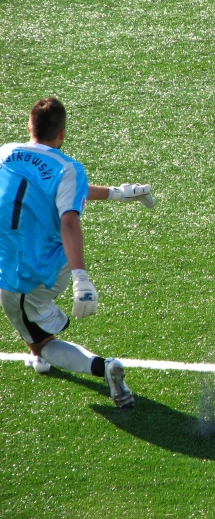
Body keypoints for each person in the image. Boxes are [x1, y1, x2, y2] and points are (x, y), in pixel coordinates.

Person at [0, 97, 156, 408]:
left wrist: (82, 280)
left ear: (29, 127)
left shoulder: (5, 153)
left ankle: (101, 366)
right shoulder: (68, 169)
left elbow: (68, 219)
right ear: (62, 134)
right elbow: (69, 201)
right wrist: (119, 193)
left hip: (21, 274)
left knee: (41, 344)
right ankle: (40, 340)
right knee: (36, 320)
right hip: (58, 263)